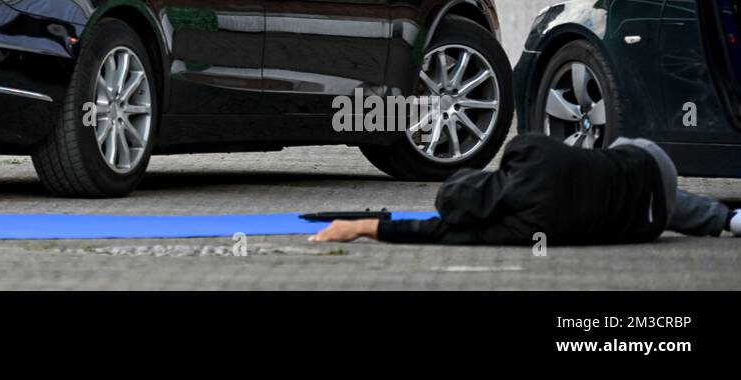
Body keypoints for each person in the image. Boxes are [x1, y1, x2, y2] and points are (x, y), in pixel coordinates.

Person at [309, 133, 741, 245]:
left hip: (649, 222)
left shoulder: (521, 229)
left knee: (647, 201)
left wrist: (365, 227)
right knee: (615, 150)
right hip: (650, 164)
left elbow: (437, 233)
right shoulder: (527, 150)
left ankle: (727, 219)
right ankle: (728, 219)